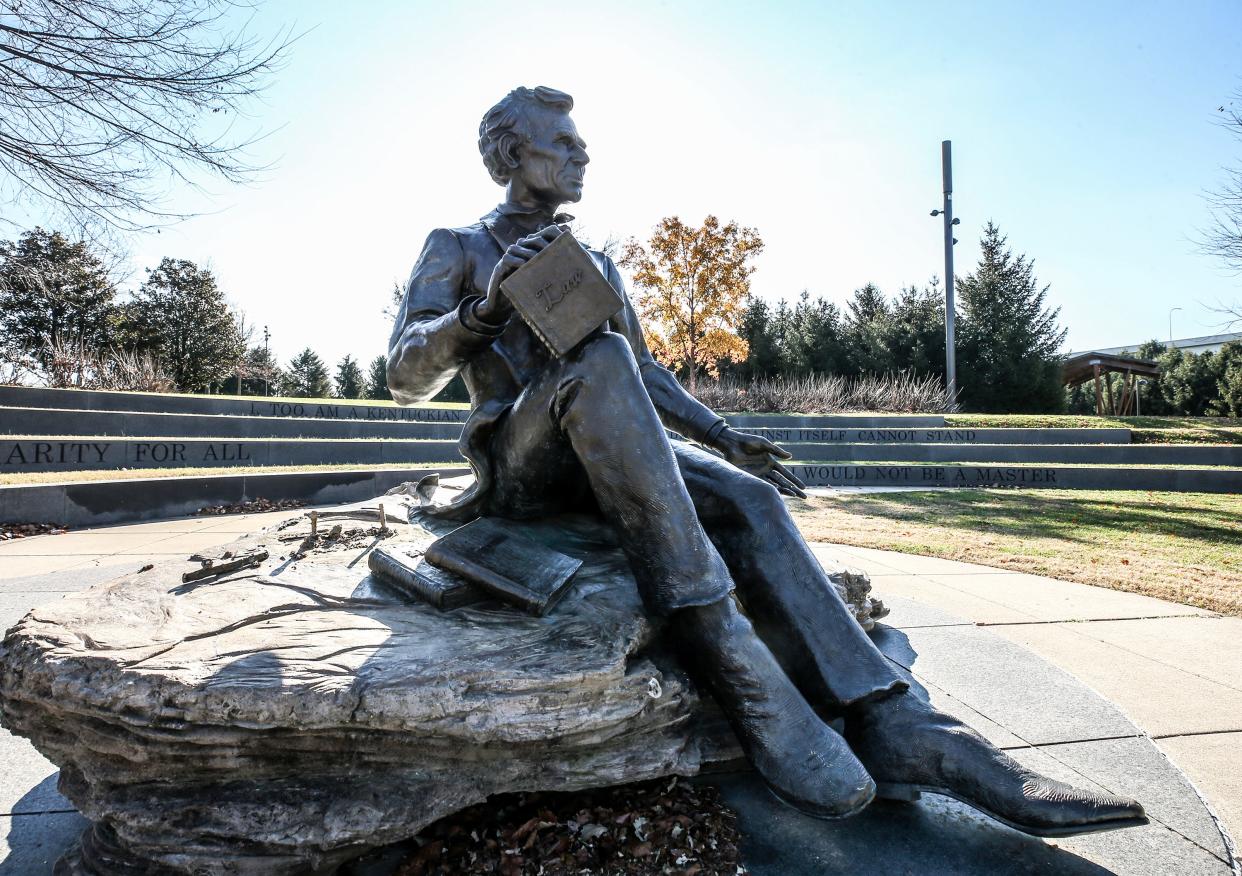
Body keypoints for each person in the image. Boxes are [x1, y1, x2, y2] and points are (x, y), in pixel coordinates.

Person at [387, 85, 1145, 835]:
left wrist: (723, 436)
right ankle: (735, 662)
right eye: (564, 143)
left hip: (616, 458)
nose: (583, 153)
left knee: (751, 499)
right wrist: (481, 311)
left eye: (582, 142)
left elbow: (645, 377)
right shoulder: (457, 247)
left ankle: (902, 726)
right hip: (524, 474)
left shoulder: (595, 264)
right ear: (514, 153)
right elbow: (404, 376)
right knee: (601, 360)